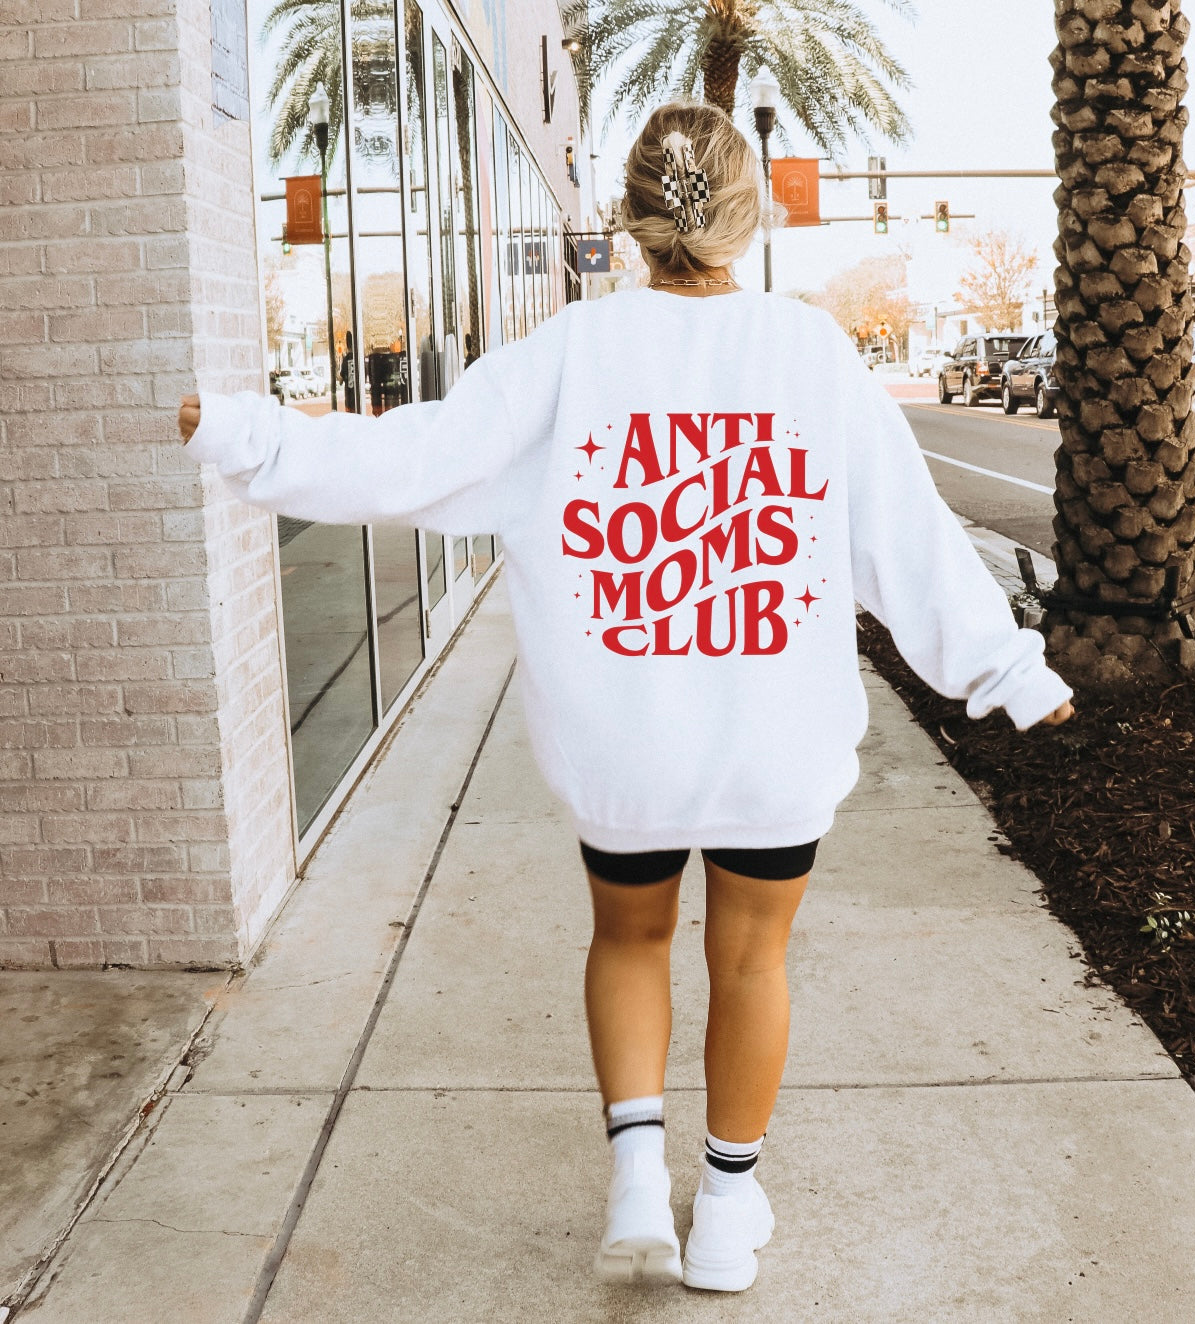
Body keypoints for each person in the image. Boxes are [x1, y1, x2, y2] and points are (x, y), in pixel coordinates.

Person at [178, 101, 1073, 1294]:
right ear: (746, 218)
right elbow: (905, 542)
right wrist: (1008, 673)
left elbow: (415, 455)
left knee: (628, 934)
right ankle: (727, 1211)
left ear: (632, 219)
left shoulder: (571, 352)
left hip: (622, 735)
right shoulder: (811, 355)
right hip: (774, 733)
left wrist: (247, 434)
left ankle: (638, 1179)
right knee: (752, 958)